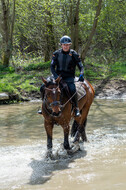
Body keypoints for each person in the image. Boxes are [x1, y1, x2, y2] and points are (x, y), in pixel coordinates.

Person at [38, 35, 84, 116]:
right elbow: (52, 66)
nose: (65, 46)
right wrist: (55, 76)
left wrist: (81, 74)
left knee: (73, 89)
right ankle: (43, 106)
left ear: (70, 45)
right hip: (56, 76)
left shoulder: (74, 54)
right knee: (42, 87)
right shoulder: (56, 54)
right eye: (64, 45)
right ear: (61, 45)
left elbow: (81, 66)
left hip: (69, 77)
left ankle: (76, 108)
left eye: (67, 45)